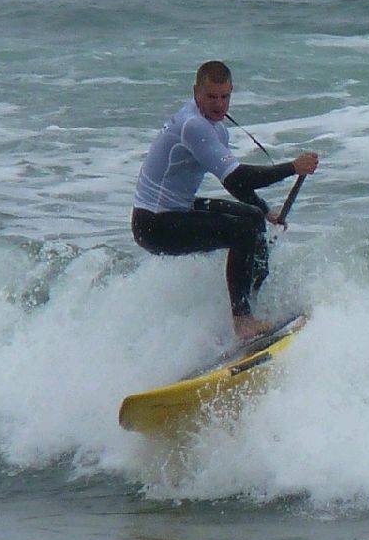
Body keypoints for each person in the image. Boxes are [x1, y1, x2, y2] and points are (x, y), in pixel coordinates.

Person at [132, 61, 320, 340]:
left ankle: (254, 304)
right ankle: (243, 321)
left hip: (173, 211)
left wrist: (264, 210)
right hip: (153, 224)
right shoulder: (194, 126)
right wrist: (293, 167)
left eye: (225, 96)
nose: (219, 105)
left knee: (252, 218)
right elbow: (238, 179)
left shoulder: (213, 127)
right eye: (211, 97)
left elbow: (233, 182)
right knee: (242, 232)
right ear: (196, 93)